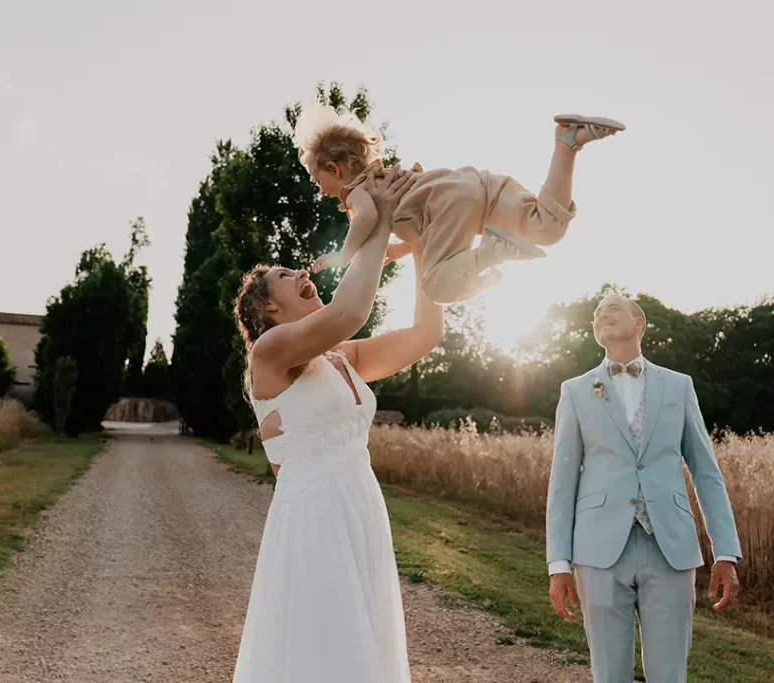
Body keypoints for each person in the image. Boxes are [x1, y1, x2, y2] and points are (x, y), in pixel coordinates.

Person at [230, 166, 444, 683]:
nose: (302, 275)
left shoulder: (343, 359)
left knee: (362, 650)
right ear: (267, 307)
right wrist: (384, 218)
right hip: (315, 516)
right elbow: (349, 310)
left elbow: (426, 333)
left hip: (361, 508)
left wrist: (420, 245)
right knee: (327, 653)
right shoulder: (271, 353)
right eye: (285, 276)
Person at [545, 293, 742, 683]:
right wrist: (558, 564)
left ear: (639, 324)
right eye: (597, 313)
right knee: (608, 674)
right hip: (597, 550)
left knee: (670, 674)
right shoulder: (576, 391)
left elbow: (706, 472)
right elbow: (562, 480)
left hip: (670, 547)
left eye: (613, 309)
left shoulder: (678, 386)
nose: (602, 314)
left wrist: (726, 552)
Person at [294, 104, 624, 304]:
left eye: (317, 179)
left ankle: (492, 252)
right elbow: (429, 230)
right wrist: (398, 250)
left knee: (437, 285)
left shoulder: (358, 189)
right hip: (474, 186)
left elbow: (365, 216)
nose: (320, 190)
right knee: (548, 228)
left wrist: (344, 254)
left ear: (334, 169)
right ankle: (568, 142)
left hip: (447, 204)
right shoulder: (391, 179)